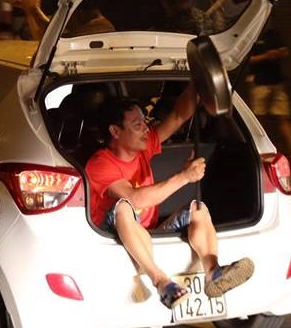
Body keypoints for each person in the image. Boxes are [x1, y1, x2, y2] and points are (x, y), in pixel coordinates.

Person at [84, 85, 255, 309]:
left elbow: (178, 116)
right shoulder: (100, 164)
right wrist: (184, 177)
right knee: (124, 207)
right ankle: (162, 283)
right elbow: (135, 200)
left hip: (148, 231)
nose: (146, 129)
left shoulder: (143, 147)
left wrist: (197, 82)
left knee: (198, 208)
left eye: (144, 122)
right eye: (137, 125)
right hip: (117, 233)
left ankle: (213, 272)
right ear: (115, 132)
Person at [247, 27, 291, 160]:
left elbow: (285, 50)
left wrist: (280, 53)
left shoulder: (273, 34)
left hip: (277, 82)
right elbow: (247, 60)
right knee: (258, 120)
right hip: (260, 84)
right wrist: (265, 56)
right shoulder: (252, 34)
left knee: (284, 117)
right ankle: (258, 151)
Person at [12, 0, 114, 41]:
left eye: (65, 8)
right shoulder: (85, 26)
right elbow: (43, 37)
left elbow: (52, 40)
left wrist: (34, 9)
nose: (65, 17)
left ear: (77, 9)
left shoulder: (100, 29)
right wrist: (30, 10)